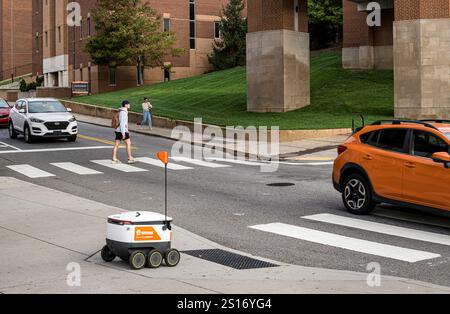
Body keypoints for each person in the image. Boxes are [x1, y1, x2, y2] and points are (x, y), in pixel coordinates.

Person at [112, 100, 135, 164]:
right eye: (128, 104)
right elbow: (122, 123)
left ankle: (114, 158)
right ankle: (130, 157)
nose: (129, 105)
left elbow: (124, 123)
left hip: (118, 130)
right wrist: (123, 133)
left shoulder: (121, 111)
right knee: (128, 143)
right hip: (122, 131)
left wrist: (127, 130)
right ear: (125, 105)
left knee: (116, 144)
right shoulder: (124, 112)